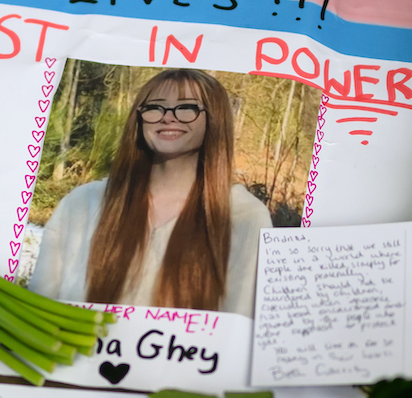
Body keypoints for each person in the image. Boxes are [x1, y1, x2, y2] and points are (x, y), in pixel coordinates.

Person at [29, 68, 272, 315]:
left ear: (215, 119)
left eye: (187, 107)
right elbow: (40, 309)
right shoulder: (81, 205)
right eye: (155, 107)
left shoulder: (245, 217)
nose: (168, 117)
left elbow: (242, 326)